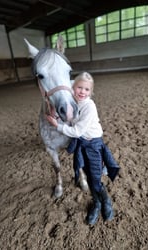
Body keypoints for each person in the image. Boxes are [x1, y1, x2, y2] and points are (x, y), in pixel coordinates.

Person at [46, 71, 120, 225]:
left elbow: (77, 130)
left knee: (94, 178)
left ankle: (104, 202)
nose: (82, 92)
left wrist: (56, 125)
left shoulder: (89, 106)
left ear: (91, 92)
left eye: (87, 89)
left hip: (92, 145)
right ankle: (97, 202)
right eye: (79, 87)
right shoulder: (73, 102)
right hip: (82, 144)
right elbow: (69, 116)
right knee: (86, 172)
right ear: (73, 87)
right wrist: (56, 115)